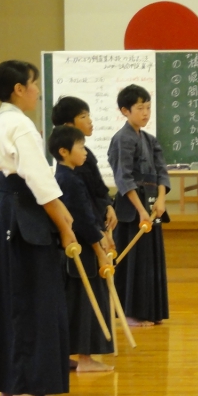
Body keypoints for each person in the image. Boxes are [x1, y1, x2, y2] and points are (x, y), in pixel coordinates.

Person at [0, 60, 77, 396]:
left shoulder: (2, 120)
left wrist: (63, 216)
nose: (37, 91)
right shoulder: (18, 124)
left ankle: (10, 383)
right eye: (34, 84)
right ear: (19, 89)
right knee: (31, 298)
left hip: (9, 210)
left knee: (12, 296)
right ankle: (25, 386)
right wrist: (64, 227)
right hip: (24, 214)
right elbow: (39, 181)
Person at [49, 125, 115, 372]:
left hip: (74, 251)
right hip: (82, 252)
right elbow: (83, 221)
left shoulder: (65, 177)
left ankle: (64, 356)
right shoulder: (70, 181)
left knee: (72, 305)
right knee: (86, 304)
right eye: (80, 146)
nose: (85, 151)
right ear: (64, 151)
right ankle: (85, 359)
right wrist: (100, 250)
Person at [107, 85, 170, 327]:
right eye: (140, 108)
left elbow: (161, 172)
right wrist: (141, 211)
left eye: (148, 108)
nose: (145, 113)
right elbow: (123, 178)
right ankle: (129, 312)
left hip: (152, 205)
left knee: (150, 258)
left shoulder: (150, 140)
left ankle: (151, 311)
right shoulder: (122, 139)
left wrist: (161, 199)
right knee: (133, 261)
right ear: (125, 111)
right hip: (131, 209)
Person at [51, 96, 118, 251]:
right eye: (83, 117)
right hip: (88, 234)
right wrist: (99, 233)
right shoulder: (70, 167)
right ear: (68, 125)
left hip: (99, 226)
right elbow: (82, 207)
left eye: (89, 115)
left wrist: (108, 206)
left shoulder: (85, 155)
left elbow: (98, 187)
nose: (90, 121)